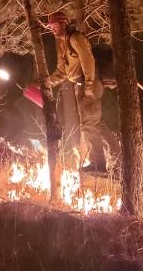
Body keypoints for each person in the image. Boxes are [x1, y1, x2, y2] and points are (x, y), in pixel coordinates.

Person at [46, 11, 120, 173]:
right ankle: (118, 156)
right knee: (95, 124)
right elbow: (62, 71)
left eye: (54, 26)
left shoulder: (76, 39)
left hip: (90, 85)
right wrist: (47, 82)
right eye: (51, 26)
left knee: (89, 126)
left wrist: (88, 85)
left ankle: (98, 164)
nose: (52, 29)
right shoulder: (61, 43)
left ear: (64, 24)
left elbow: (89, 61)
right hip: (81, 85)